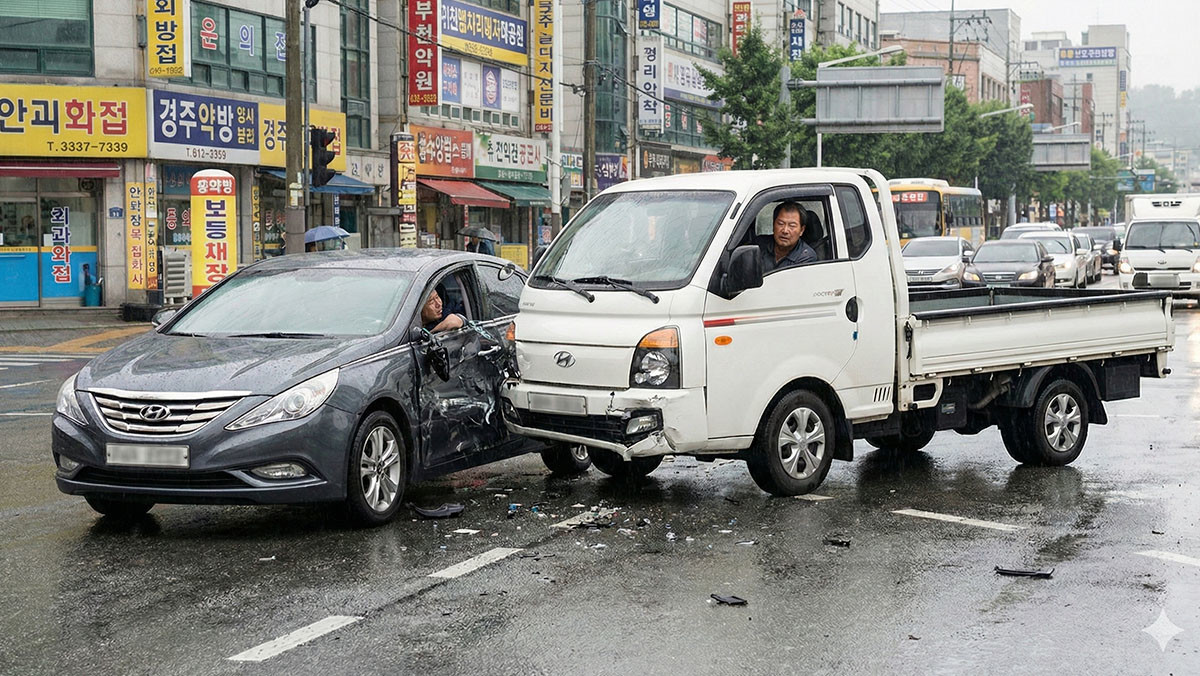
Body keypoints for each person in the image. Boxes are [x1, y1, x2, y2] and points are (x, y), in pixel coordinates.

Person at [758, 201, 817, 272]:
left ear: (801, 230)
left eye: (792, 226)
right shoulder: (759, 244)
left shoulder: (806, 256)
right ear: (773, 225)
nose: (785, 231)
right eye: (780, 224)